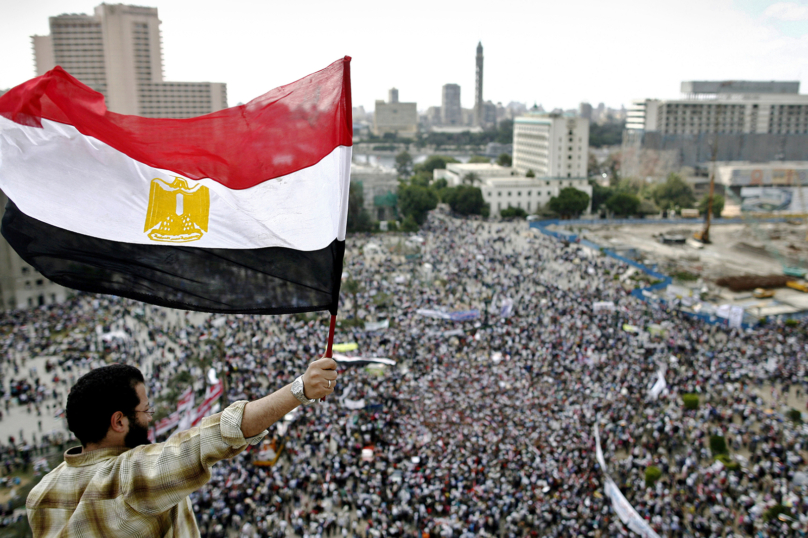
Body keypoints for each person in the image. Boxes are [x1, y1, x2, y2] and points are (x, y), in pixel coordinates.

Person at [26, 359, 338, 537]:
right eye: (146, 411)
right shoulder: (129, 477)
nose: (151, 419)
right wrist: (299, 390)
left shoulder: (39, 495)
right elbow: (214, 437)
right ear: (119, 421)